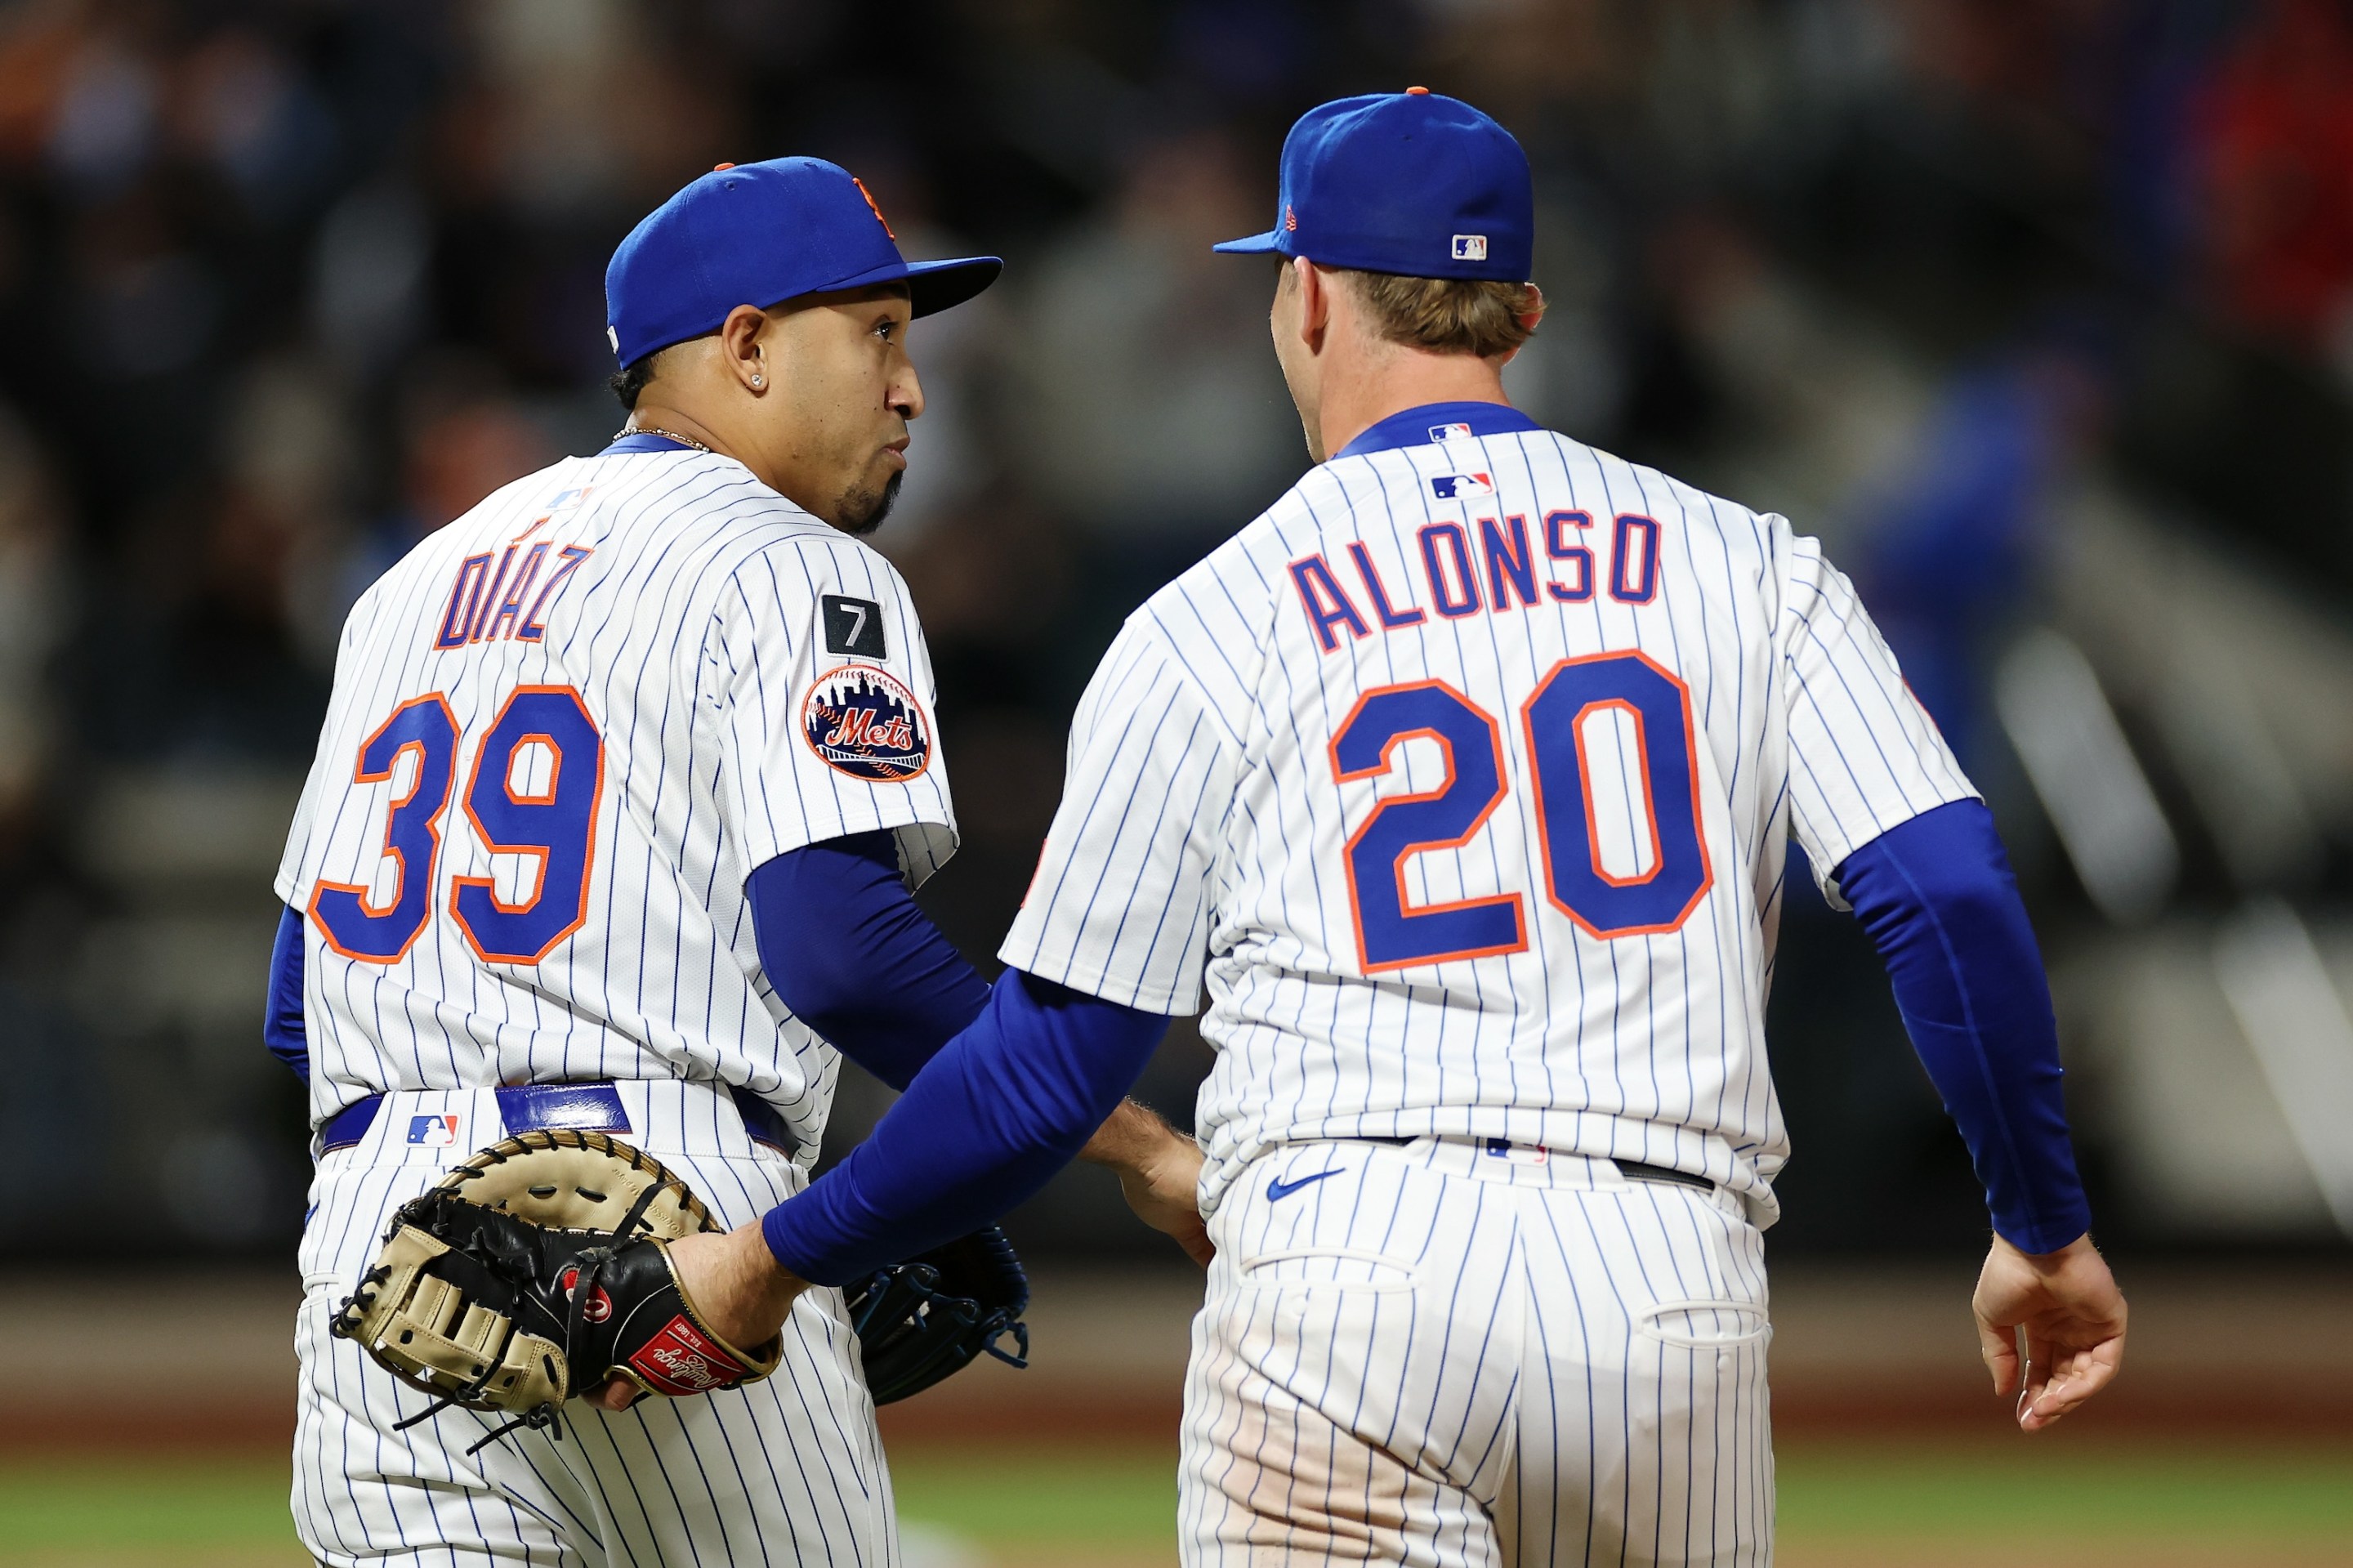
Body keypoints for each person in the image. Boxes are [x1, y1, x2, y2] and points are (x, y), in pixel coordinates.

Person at [642, 96, 2131, 1566]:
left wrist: (778, 1257)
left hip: (1338, 1271)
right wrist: (2042, 1225)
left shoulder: (1212, 617)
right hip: (1666, 1276)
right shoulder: (1752, 567)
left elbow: (1044, 1067)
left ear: (1301, 296)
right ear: (1525, 309)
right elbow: (1946, 893)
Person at [266, 155, 1205, 1566]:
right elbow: (843, 950)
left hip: (381, 1253)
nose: (912, 388)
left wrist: (454, 1157)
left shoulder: (413, 583)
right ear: (748, 346)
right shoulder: (795, 563)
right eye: (877, 334)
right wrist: (1133, 1143)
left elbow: (298, 1004)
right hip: (673, 1213)